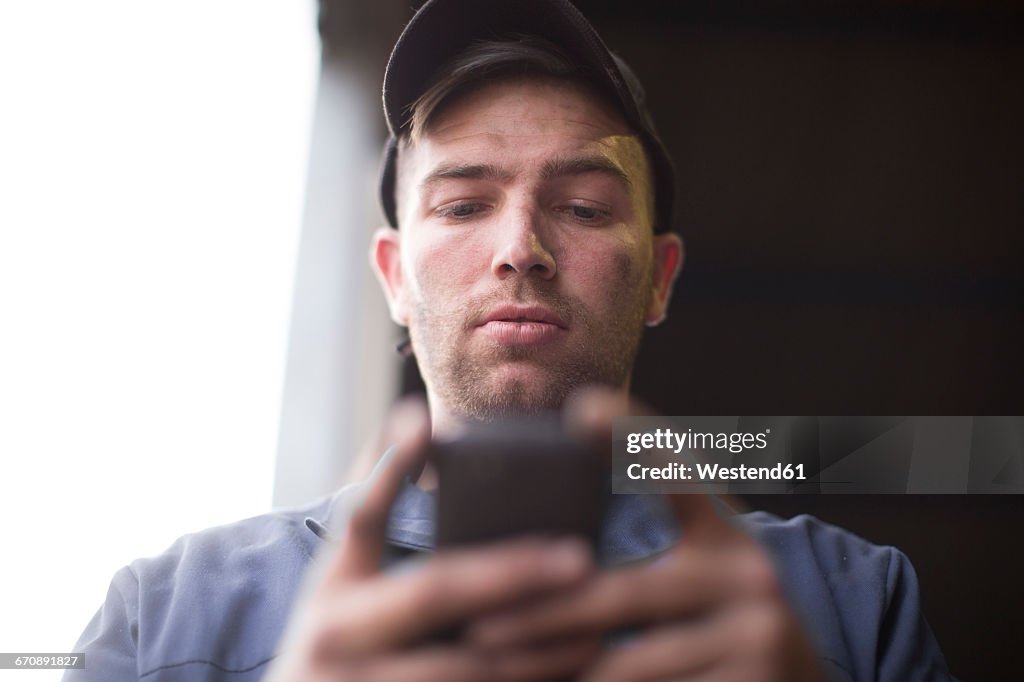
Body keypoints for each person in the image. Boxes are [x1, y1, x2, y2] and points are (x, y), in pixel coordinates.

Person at [67, 1, 955, 680]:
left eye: (581, 208)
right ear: (394, 278)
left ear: (659, 277)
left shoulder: (853, 603)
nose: (520, 250)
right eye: (461, 205)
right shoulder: (167, 615)